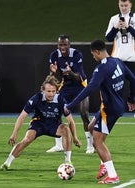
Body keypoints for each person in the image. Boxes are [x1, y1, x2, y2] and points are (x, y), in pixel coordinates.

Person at [64, 39, 135, 184]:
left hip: (109, 109)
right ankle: (103, 164)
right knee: (90, 128)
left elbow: (89, 89)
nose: (93, 57)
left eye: (93, 54)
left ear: (97, 51)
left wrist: (70, 105)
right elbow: (133, 79)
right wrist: (132, 99)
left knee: (98, 141)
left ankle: (113, 175)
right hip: (113, 106)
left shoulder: (101, 69)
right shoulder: (117, 61)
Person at [0, 75, 82, 171]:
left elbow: (70, 121)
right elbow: (22, 116)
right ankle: (7, 163)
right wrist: (14, 133)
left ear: (56, 91)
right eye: (48, 91)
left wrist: (75, 137)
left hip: (54, 125)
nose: (51, 94)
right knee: (27, 139)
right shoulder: (36, 98)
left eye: (53, 91)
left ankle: (67, 162)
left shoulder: (60, 100)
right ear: (43, 90)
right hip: (38, 123)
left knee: (66, 130)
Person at [46, 34, 93, 154]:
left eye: (64, 44)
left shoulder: (77, 55)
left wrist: (70, 72)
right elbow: (54, 77)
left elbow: (78, 77)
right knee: (55, 112)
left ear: (69, 45)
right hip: (65, 86)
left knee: (84, 113)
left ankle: (90, 145)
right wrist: (53, 72)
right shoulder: (54, 55)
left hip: (80, 85)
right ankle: (59, 145)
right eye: (60, 44)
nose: (62, 47)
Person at [105, 0, 135, 74]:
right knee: (118, 84)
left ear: (130, 5)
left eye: (126, 5)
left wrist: (128, 27)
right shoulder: (114, 19)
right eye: (121, 5)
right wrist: (115, 28)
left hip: (133, 59)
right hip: (117, 59)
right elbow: (109, 38)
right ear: (118, 5)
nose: (123, 8)